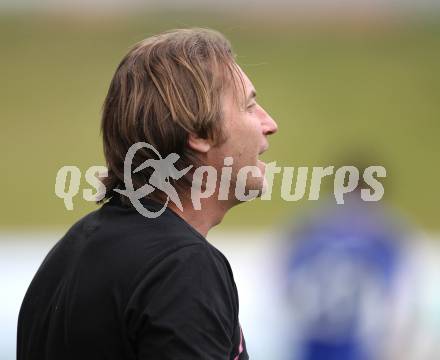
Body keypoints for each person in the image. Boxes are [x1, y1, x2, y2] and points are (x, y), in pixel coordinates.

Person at [17, 28, 278, 360]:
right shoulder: (183, 267)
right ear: (198, 132)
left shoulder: (69, 253)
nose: (269, 123)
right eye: (249, 105)